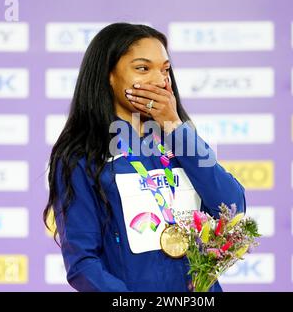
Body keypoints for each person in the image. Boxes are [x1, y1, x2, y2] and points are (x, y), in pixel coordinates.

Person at [43, 22, 246, 292]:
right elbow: (83, 264)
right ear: (108, 75)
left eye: (165, 70)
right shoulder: (82, 156)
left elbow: (232, 206)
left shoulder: (180, 140)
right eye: (142, 68)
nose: (160, 81)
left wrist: (175, 127)